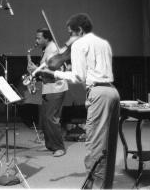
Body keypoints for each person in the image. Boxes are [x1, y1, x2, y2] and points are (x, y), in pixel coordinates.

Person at [39, 13, 120, 188]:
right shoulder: (103, 43)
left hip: (98, 94)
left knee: (95, 143)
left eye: (71, 33)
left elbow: (78, 76)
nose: (69, 38)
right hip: (113, 92)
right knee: (110, 143)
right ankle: (105, 185)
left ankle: (95, 187)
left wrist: (54, 73)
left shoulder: (79, 45)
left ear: (80, 30)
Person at [27, 28, 68, 157]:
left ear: (47, 38)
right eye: (36, 38)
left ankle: (59, 147)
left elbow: (53, 71)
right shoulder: (47, 49)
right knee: (45, 118)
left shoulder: (52, 49)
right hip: (48, 88)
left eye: (39, 38)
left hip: (56, 88)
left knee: (52, 119)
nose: (36, 41)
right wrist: (35, 71)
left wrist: (35, 69)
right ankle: (50, 145)